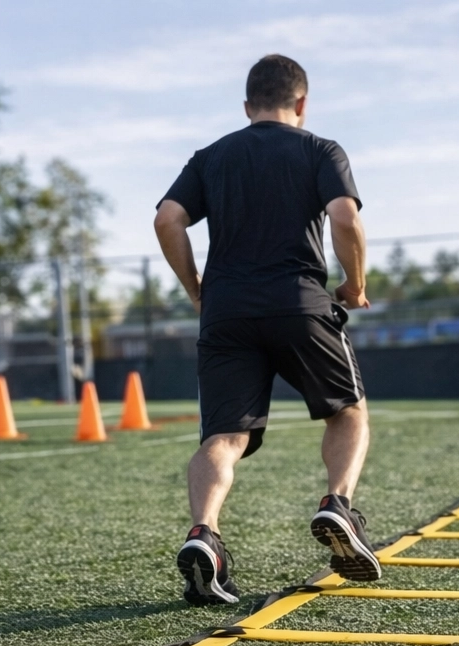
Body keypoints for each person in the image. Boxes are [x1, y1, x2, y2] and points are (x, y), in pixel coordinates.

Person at [154, 54, 379, 606]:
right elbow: (346, 218)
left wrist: (195, 288)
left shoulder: (211, 157)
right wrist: (354, 283)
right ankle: (337, 505)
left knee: (223, 438)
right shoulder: (319, 149)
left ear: (247, 106)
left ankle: (204, 533)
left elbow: (167, 219)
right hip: (299, 303)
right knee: (346, 411)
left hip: (226, 311)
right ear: (301, 103)